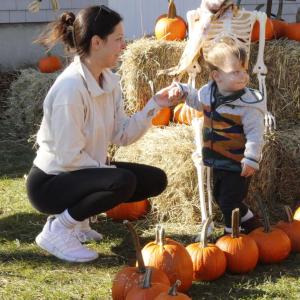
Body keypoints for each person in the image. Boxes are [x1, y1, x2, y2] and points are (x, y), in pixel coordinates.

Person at [26, 5, 177, 263]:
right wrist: (105, 172)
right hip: (49, 184)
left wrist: (155, 105)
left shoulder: (109, 81)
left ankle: (78, 224)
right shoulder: (70, 89)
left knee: (155, 180)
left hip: (80, 172)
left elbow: (122, 135)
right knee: (122, 180)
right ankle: (58, 229)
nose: (123, 45)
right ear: (97, 42)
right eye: (118, 39)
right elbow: (68, 158)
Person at [169, 39, 265, 234]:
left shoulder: (247, 105)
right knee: (221, 198)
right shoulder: (209, 93)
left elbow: (255, 134)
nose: (243, 76)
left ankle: (233, 235)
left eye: (244, 70)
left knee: (229, 201)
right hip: (217, 160)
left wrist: (251, 158)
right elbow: (196, 101)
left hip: (238, 163)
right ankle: (251, 222)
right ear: (217, 76)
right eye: (236, 71)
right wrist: (184, 91)